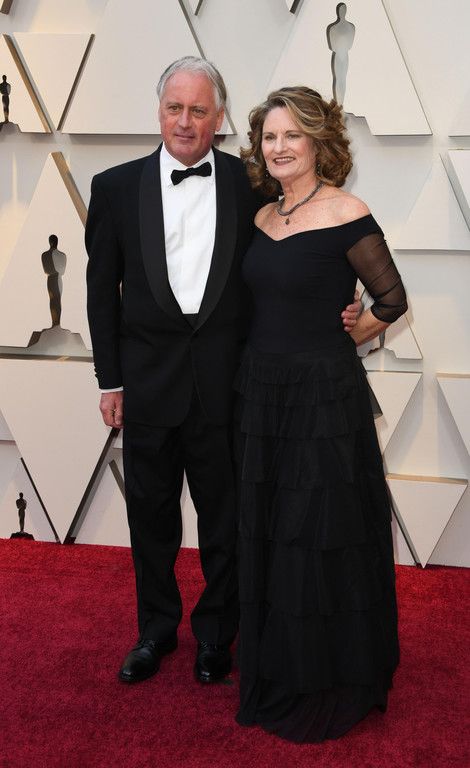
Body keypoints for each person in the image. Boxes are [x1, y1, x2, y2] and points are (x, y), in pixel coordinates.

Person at [85, 58, 360, 687]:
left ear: (220, 117)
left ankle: (216, 635)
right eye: (174, 108)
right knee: (149, 518)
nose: (185, 121)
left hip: (228, 387)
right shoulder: (114, 188)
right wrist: (110, 380)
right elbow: (101, 293)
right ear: (159, 112)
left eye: (199, 110)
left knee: (226, 522)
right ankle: (155, 631)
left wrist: (341, 302)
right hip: (147, 388)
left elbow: (296, 250)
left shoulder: (250, 184)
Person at [235, 86, 406, 742]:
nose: (279, 147)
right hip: (262, 392)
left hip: (321, 397)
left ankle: (328, 672)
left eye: (292, 136)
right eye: (270, 137)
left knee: (318, 531)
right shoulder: (261, 216)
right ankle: (280, 659)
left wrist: (351, 331)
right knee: (275, 527)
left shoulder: (346, 211)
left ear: (317, 142)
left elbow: (392, 298)